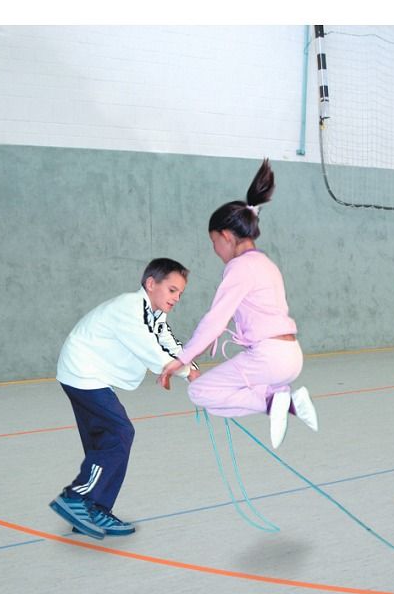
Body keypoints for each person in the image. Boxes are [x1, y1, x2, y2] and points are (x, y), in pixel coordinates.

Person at [159, 159, 317, 449]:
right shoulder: (266, 263)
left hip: (269, 357)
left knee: (202, 391)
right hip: (290, 356)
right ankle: (284, 401)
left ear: (227, 236)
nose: (214, 250)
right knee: (220, 402)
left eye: (214, 242)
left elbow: (215, 321)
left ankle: (281, 400)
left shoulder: (240, 267)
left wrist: (181, 360)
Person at [51, 258, 200, 540]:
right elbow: (153, 353)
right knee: (119, 433)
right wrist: (188, 375)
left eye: (180, 293)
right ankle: (76, 498)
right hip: (82, 373)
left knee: (102, 443)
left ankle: (94, 509)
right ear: (151, 284)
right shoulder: (128, 308)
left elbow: (165, 340)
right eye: (172, 290)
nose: (176, 298)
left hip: (88, 374)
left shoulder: (154, 314)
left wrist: (190, 367)